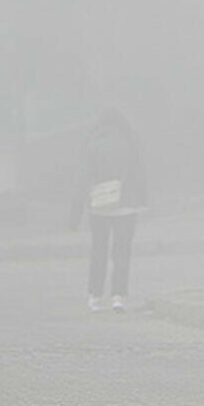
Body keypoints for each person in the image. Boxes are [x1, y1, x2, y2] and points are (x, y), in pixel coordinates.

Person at [69, 109, 148, 313]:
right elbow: (140, 175)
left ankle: (95, 296)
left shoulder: (93, 146)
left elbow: (81, 180)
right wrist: (143, 201)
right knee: (122, 252)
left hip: (99, 207)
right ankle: (118, 296)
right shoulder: (131, 144)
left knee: (99, 251)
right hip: (127, 206)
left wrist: (75, 215)